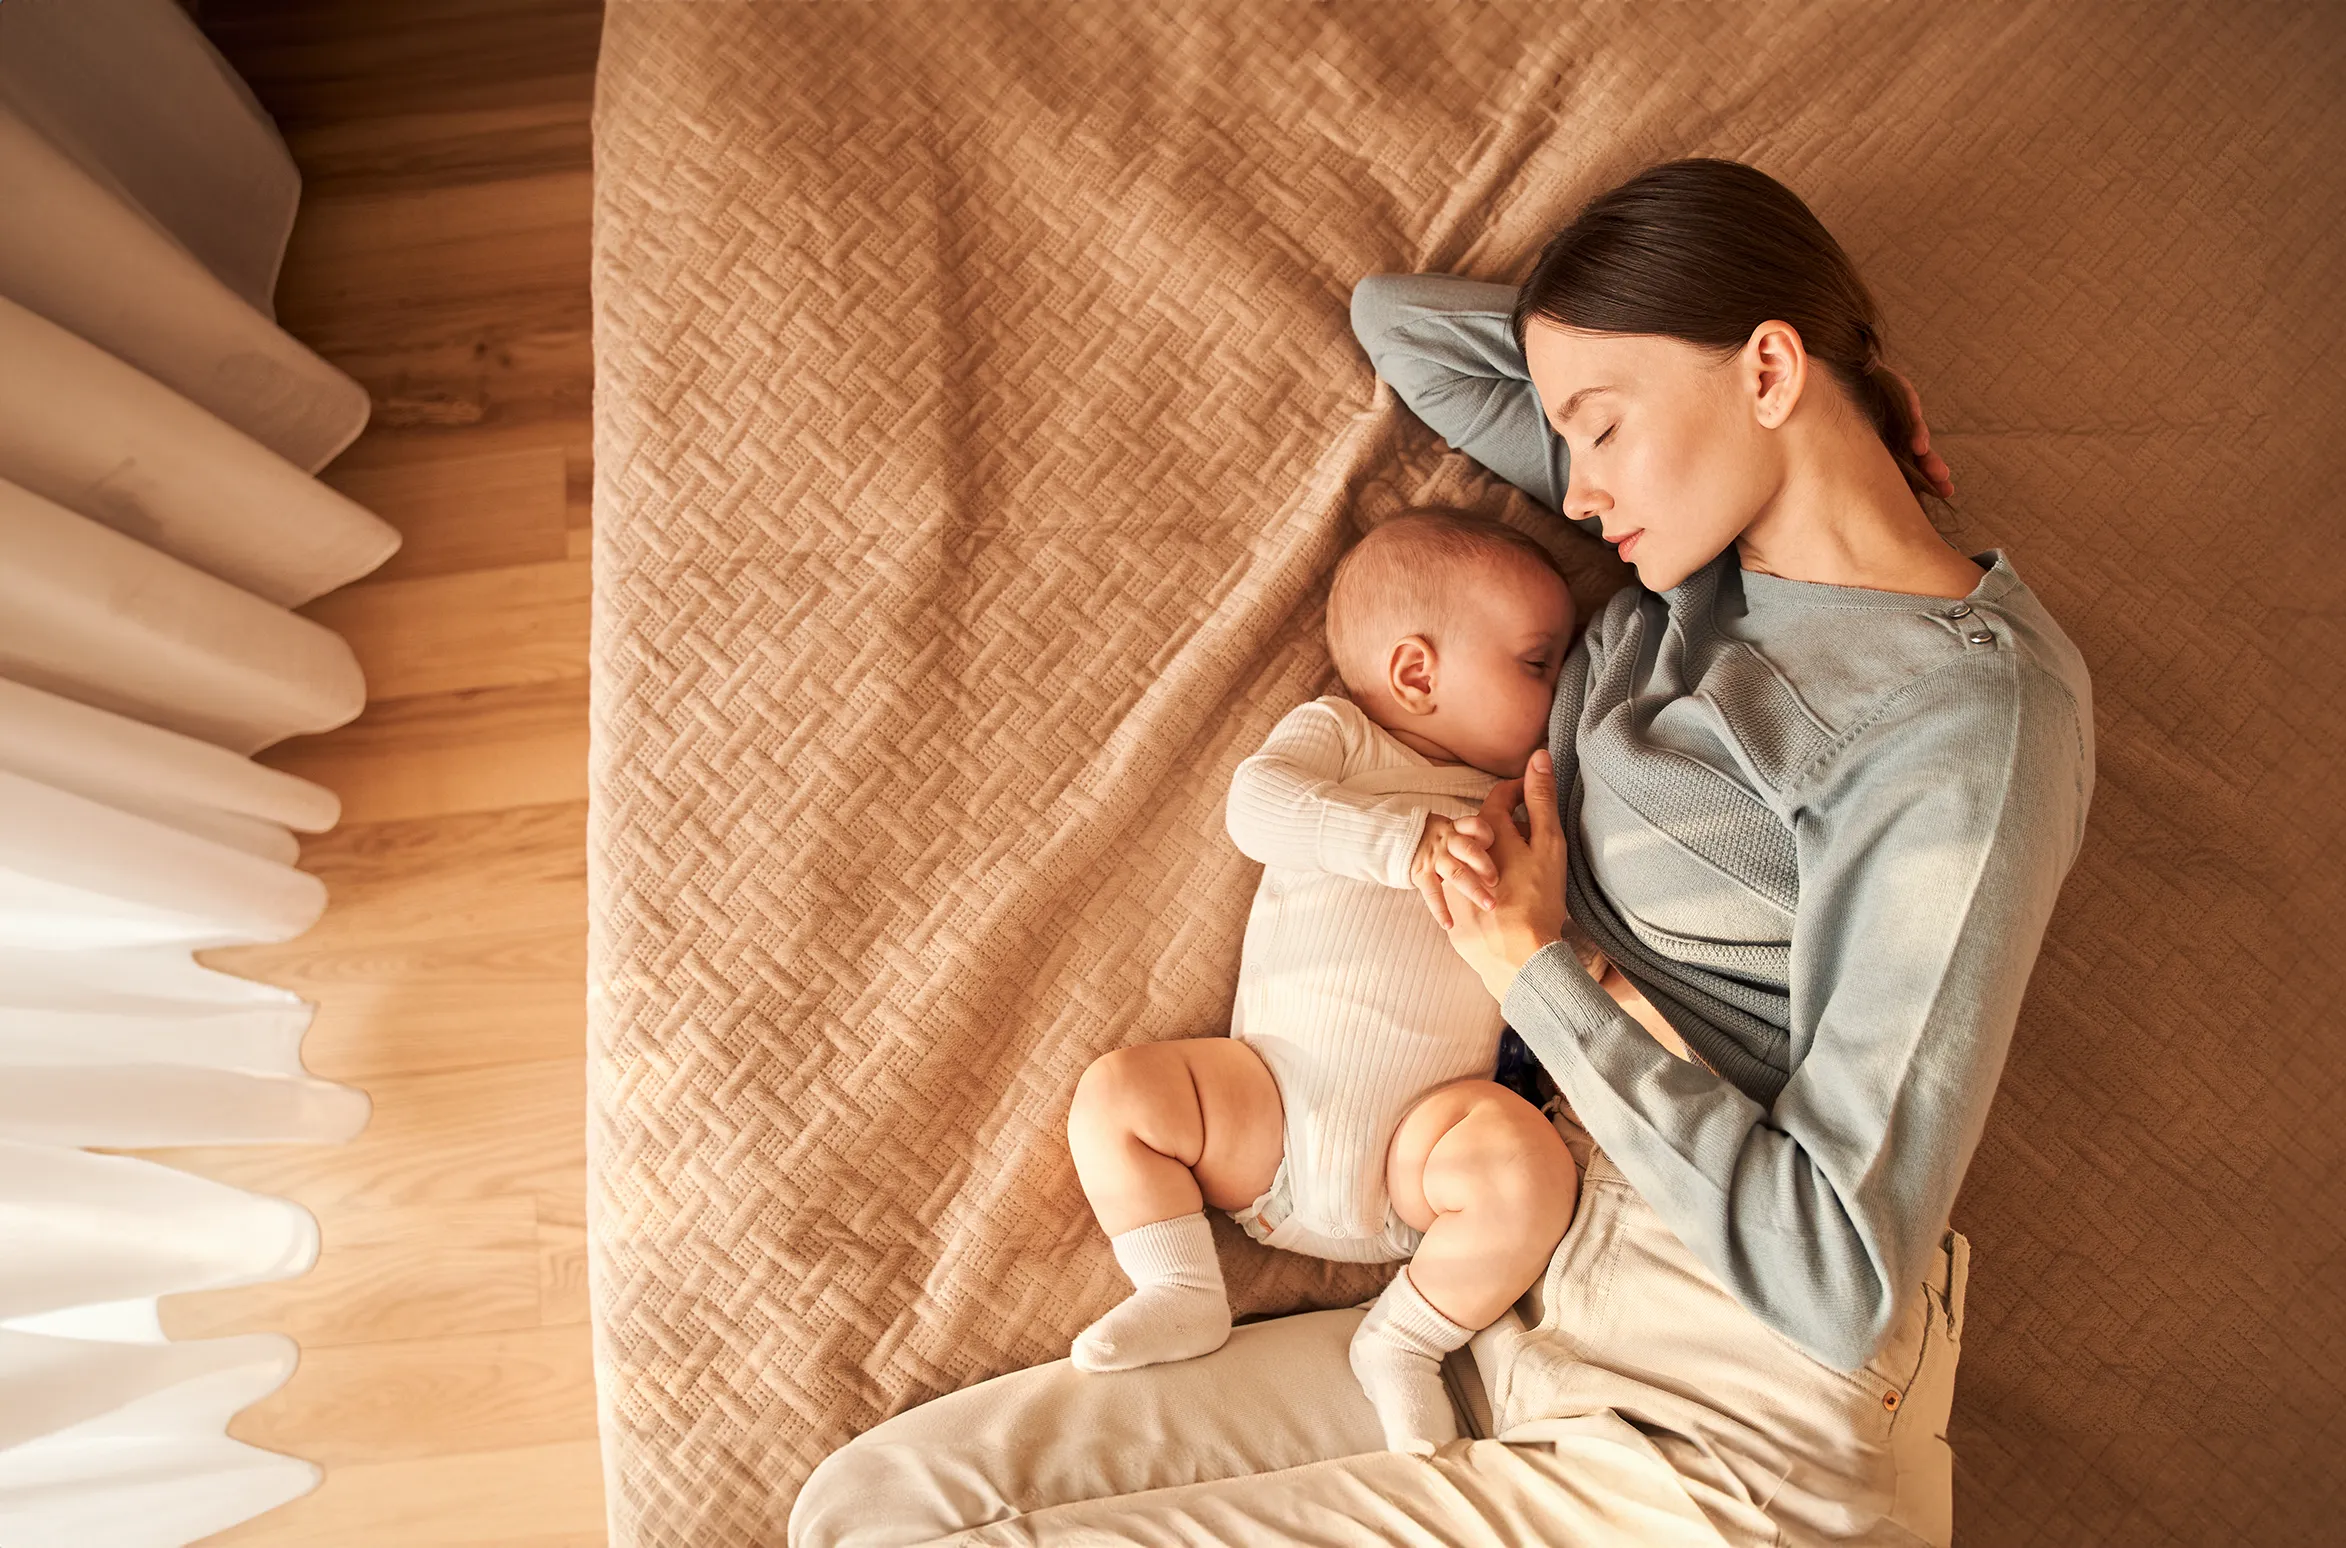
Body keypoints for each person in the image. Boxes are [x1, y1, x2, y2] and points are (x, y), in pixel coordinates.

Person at [792, 156, 2094, 1548]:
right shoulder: (1696, 549)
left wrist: (1533, 966)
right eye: (1565, 434)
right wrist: (1853, 386)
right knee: (880, 1508)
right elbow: (1400, 326)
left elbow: (1836, 1267)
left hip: (1723, 1435)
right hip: (1503, 1302)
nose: (1576, 491)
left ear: (1760, 374)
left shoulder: (1961, 719)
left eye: (1600, 430)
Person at [1063, 509, 1589, 1455]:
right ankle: (1180, 1285)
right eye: (1537, 662)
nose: (1563, 691)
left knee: (1527, 1164)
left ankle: (1405, 1339)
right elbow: (1256, 808)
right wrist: (1402, 843)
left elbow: (1551, 928)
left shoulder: (1521, 807)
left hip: (1420, 1157)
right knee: (1121, 1092)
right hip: (1266, 1119)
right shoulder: (1342, 738)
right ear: (1416, 674)